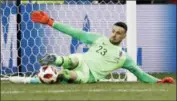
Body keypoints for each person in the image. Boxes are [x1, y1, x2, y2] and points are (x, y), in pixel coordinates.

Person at [10, 10, 174, 84]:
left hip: (89, 75)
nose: (114, 35)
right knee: (74, 59)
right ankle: (57, 60)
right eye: (113, 31)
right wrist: (50, 22)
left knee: (70, 75)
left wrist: (159, 81)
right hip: (81, 60)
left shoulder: (123, 57)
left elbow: (140, 74)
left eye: (119, 33)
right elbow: (74, 31)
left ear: (124, 36)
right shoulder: (98, 38)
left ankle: (59, 73)